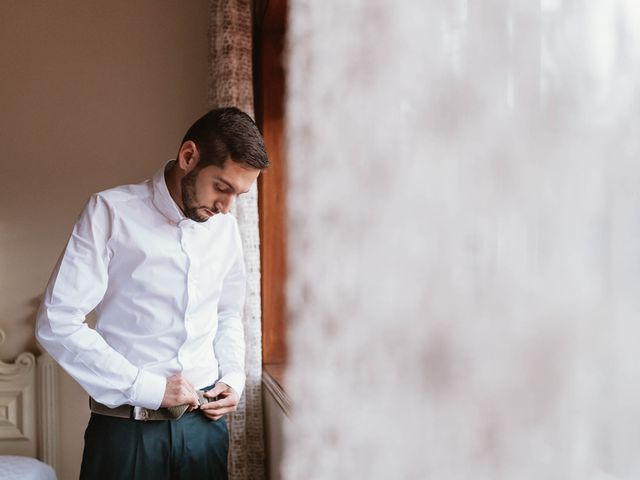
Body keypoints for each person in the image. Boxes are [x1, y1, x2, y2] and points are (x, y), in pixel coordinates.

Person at [35, 107, 269, 479]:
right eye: (222, 188)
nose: (226, 207)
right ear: (189, 157)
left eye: (237, 195)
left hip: (205, 431)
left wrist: (233, 377)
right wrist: (148, 388)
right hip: (127, 433)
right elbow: (57, 321)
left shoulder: (224, 228)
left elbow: (226, 313)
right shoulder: (110, 212)